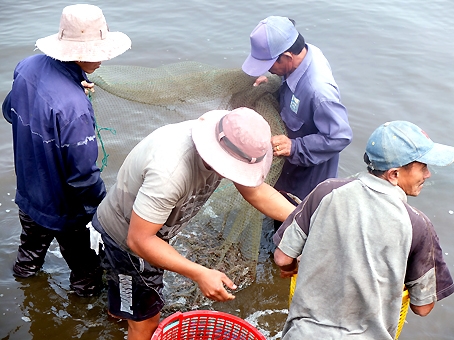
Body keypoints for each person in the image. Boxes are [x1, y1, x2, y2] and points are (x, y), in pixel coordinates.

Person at [90, 107, 295, 339]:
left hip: (146, 229)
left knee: (127, 304)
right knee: (146, 321)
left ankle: (119, 314)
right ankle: (128, 317)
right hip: (125, 242)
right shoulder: (170, 172)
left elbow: (256, 193)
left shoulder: (226, 139)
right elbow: (138, 240)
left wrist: (303, 219)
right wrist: (199, 273)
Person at [273, 121, 454, 339]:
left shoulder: (326, 191)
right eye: (423, 167)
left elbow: (283, 258)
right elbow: (422, 307)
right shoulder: (417, 224)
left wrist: (293, 266)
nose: (427, 174)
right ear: (394, 174)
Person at [2, 4, 131, 296]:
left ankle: (23, 292)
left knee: (29, 257)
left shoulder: (26, 67)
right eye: (98, 52)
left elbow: (9, 111)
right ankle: (81, 320)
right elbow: (82, 176)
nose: (101, 60)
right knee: (86, 276)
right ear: (82, 54)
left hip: (29, 197)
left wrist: (72, 91)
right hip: (65, 212)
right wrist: (104, 211)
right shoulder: (74, 108)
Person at [242, 16, 353, 216]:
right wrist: (274, 78)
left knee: (296, 220)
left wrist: (294, 147)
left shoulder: (319, 92)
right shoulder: (305, 53)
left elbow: (340, 136)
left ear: (287, 56)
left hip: (307, 180)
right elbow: (287, 76)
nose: (267, 68)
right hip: (288, 166)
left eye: (269, 64)